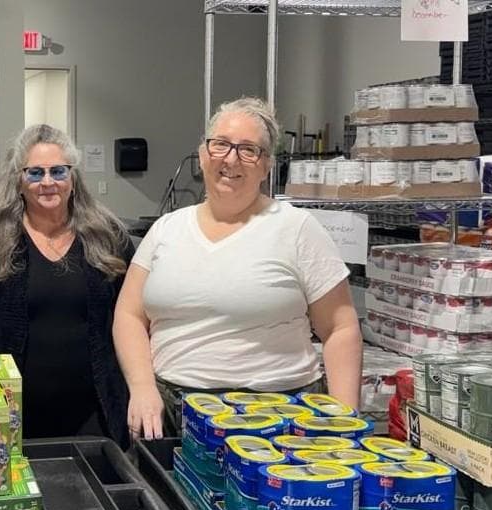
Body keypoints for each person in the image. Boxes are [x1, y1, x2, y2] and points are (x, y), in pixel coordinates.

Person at [113, 97, 362, 440]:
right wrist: (141, 388)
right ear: (203, 155)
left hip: (279, 418)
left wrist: (345, 425)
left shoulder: (297, 228)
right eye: (221, 145)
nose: (231, 159)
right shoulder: (166, 229)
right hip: (171, 413)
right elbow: (128, 315)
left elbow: (340, 329)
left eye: (249, 150)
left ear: (266, 166)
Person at [0, 124, 134, 448]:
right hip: (17, 413)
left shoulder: (107, 237)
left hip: (95, 410)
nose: (48, 182)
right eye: (35, 173)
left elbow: (133, 317)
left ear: (73, 179)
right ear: (19, 180)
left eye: (58, 171)